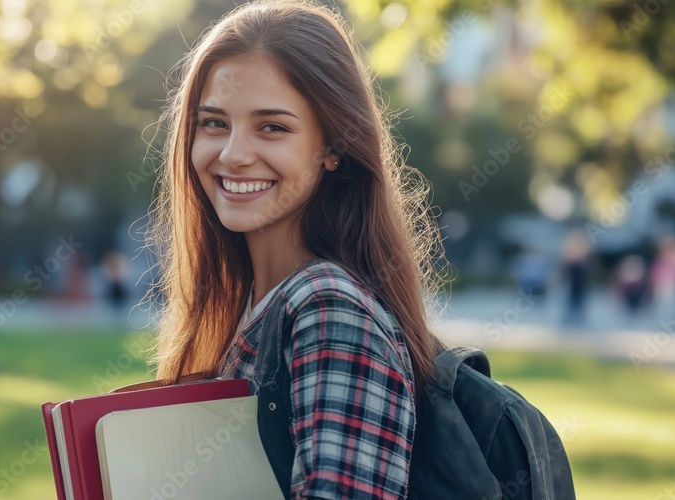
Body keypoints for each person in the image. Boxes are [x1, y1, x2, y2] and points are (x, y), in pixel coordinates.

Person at [144, 2, 449, 498]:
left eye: (272, 127)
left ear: (333, 148)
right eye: (215, 123)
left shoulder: (330, 311)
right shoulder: (247, 309)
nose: (233, 154)